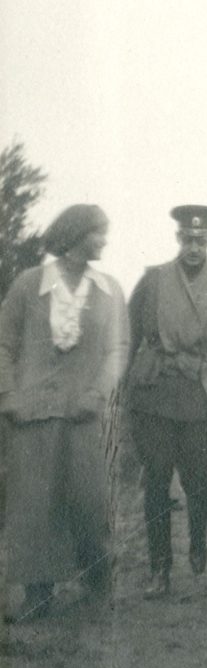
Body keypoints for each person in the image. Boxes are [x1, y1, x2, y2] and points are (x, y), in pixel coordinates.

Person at [0, 205, 128, 622]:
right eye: (99, 233)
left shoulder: (109, 290)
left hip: (84, 415)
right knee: (35, 505)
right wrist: (9, 395)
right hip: (32, 415)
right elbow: (4, 344)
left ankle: (97, 587)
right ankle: (38, 593)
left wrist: (97, 393)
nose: (105, 241)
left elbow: (116, 350)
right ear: (76, 235)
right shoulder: (28, 284)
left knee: (91, 502)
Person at [125, 205, 207, 597]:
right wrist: (123, 390)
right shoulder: (154, 279)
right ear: (178, 238)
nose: (194, 246)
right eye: (187, 238)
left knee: (199, 481)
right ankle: (160, 568)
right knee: (157, 479)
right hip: (156, 390)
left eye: (201, 239)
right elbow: (129, 336)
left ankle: (198, 541)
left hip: (202, 395)